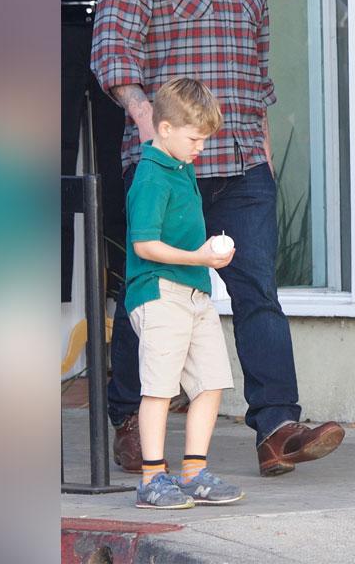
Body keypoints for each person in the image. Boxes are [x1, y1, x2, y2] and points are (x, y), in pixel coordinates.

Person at [92, 0, 344, 478]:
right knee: (152, 290)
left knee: (258, 292)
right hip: (167, 168)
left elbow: (257, 66)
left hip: (240, 164)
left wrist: (258, 139)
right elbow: (114, 52)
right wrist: (148, 126)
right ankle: (129, 419)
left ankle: (277, 428)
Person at [125, 78, 243, 509]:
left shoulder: (181, 166)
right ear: (166, 128)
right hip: (159, 293)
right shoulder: (152, 176)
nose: (201, 148)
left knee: (210, 382)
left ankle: (194, 472)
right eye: (195, 138)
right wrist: (200, 258)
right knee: (158, 387)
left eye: (205, 139)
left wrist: (203, 260)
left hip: (194, 293)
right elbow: (144, 245)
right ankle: (151, 478)